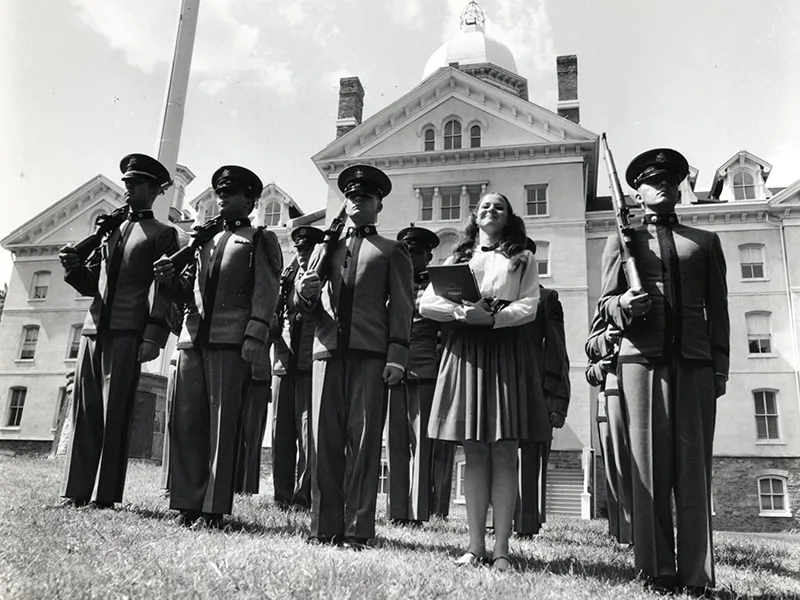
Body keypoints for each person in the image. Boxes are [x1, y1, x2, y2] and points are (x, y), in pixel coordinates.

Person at [597, 148, 729, 595]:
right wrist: (622, 305)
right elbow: (603, 307)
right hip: (640, 361)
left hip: (694, 363)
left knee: (693, 473)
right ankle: (656, 571)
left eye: (672, 181)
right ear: (637, 189)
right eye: (654, 181)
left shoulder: (704, 242)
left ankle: (698, 576)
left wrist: (720, 368)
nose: (665, 187)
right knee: (647, 471)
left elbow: (720, 310)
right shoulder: (623, 238)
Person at [419, 192, 547, 571]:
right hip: (466, 352)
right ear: (475, 215)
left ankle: (503, 549)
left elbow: (529, 304)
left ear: (508, 218)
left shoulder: (522, 258)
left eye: (500, 207)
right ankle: (475, 545)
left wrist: (492, 318)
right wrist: (462, 314)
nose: (492, 211)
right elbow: (427, 303)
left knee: (504, 450)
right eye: (486, 206)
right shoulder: (457, 258)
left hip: (505, 350)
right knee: (474, 449)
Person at [154, 165, 282, 525]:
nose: (222, 198)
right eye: (219, 192)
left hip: (231, 340)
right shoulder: (202, 240)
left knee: (223, 427)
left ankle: (212, 509)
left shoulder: (259, 239)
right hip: (194, 338)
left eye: (231, 192)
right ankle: (187, 503)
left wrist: (255, 335)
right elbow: (187, 291)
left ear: (251, 200)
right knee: (187, 421)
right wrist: (168, 281)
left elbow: (267, 290)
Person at [295, 164, 414, 550]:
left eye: (365, 196)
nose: (357, 201)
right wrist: (304, 292)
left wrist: (397, 356)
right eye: (351, 195)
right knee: (323, 441)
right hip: (326, 352)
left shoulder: (392, 251)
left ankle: (358, 529)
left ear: (379, 204)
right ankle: (323, 526)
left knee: (363, 445)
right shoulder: (322, 250)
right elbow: (306, 309)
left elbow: (401, 308)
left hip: (369, 354)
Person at [59, 153, 178, 508]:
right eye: (127, 183)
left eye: (138, 184)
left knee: (116, 414)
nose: (129, 189)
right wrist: (72, 267)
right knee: (85, 410)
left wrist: (154, 335)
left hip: (129, 332)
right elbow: (93, 283)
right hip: (95, 330)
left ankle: (105, 496)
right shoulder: (109, 232)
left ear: (156, 190)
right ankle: (75, 491)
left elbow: (165, 290)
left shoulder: (162, 234)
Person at [387, 226, 441, 525]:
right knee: (394, 441)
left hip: (424, 367)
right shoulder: (391, 282)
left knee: (421, 444)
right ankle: (396, 510)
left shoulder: (437, 286)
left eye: (416, 253)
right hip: (393, 369)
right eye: (405, 252)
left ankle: (418, 511)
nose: (409, 257)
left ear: (428, 255)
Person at [515, 256, 571, 538]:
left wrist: (557, 401)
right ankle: (494, 521)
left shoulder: (546, 298)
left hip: (535, 390)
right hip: (499, 387)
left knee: (530, 458)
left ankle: (526, 523)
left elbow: (558, 351)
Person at [270, 225, 324, 509]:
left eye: (308, 249)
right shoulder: (286, 279)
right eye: (299, 249)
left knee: (307, 434)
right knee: (280, 432)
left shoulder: (323, 278)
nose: (303, 254)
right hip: (283, 360)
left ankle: (304, 497)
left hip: (308, 363)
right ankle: (281, 496)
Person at [585, 311, 631, 546]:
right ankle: (621, 533)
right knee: (615, 470)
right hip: (609, 398)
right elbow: (590, 372)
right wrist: (604, 355)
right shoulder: (607, 308)